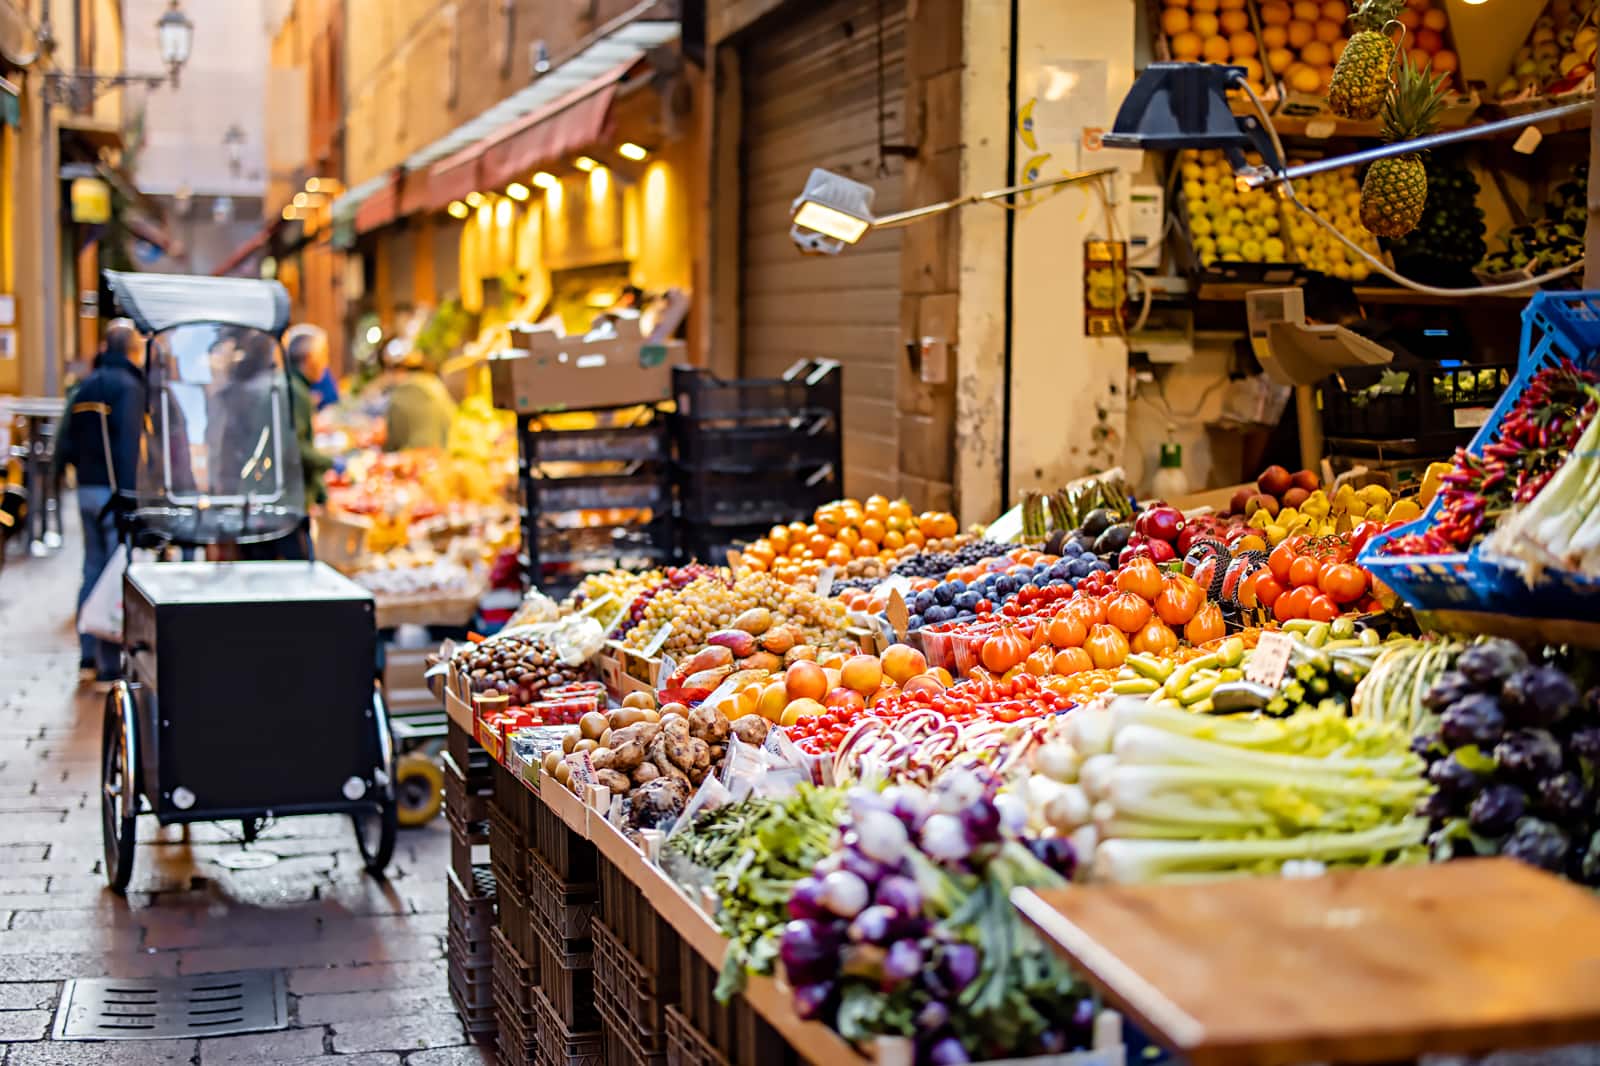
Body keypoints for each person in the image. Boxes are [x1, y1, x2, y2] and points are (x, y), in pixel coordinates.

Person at [57, 320, 145, 682]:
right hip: (113, 492)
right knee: (115, 574)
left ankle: (88, 653)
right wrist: (130, 498)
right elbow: (127, 444)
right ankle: (111, 661)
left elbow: (65, 439)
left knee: (92, 568)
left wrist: (69, 471)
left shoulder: (86, 385)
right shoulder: (128, 386)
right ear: (131, 349)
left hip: (87, 490)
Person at [383, 347, 456, 452]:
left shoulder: (400, 394)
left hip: (413, 457)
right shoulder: (437, 385)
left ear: (401, 370)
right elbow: (451, 417)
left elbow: (393, 436)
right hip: (441, 453)